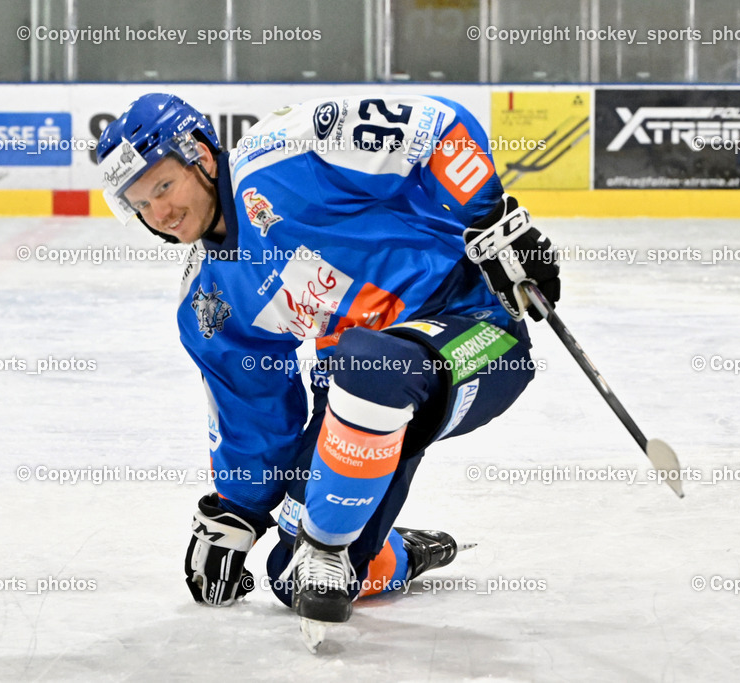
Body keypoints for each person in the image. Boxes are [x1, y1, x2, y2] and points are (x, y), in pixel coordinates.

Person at [96, 93, 560, 650]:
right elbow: (255, 408)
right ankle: (397, 552)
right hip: (355, 386)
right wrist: (235, 511)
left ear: (200, 154)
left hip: (473, 328)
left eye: (164, 187)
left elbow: (437, 126)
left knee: (370, 364)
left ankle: (333, 542)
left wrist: (489, 220)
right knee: (291, 579)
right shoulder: (210, 301)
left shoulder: (286, 153)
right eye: (141, 204)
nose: (160, 216)